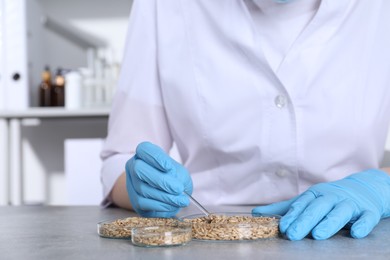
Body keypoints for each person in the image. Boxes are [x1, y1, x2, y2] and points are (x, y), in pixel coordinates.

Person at [100, 0, 390, 241]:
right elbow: (120, 159)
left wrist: (380, 187)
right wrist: (144, 187)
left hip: (353, 232)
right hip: (205, 239)